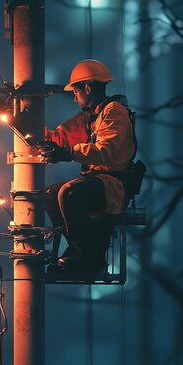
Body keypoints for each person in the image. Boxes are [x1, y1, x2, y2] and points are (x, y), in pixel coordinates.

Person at [37, 59, 136, 273]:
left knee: (69, 193)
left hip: (112, 185)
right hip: (97, 183)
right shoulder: (91, 117)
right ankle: (79, 248)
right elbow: (60, 138)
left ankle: (88, 256)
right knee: (50, 194)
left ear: (87, 88)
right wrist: (29, 126)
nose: (74, 97)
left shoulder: (114, 112)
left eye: (75, 91)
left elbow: (106, 151)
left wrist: (69, 153)